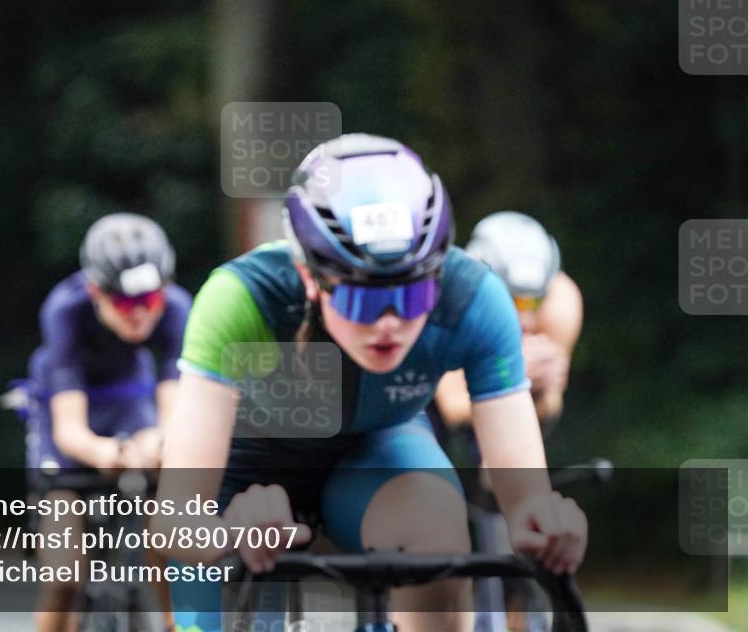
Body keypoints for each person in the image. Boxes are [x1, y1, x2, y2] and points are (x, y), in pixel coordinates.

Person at [152, 134, 588, 632]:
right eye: (364, 300)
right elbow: (174, 520)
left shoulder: (474, 298)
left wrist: (544, 524)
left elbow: (522, 496)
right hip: (245, 474)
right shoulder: (241, 298)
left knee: (438, 540)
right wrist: (228, 533)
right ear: (310, 277)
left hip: (376, 453)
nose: (389, 324)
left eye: (414, 295)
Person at [23, 213, 191, 632]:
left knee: (170, 534)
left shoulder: (176, 308)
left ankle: (174, 622)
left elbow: (174, 416)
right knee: (64, 575)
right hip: (66, 404)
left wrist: (156, 445)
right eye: (126, 304)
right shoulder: (65, 310)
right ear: (96, 292)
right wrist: (105, 453)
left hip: (130, 399)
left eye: (151, 300)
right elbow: (69, 430)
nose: (141, 315)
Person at [434, 211, 584, 434]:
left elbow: (550, 407)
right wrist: (510, 374)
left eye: (533, 302)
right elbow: (453, 408)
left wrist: (536, 388)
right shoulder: (456, 296)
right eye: (510, 301)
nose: (525, 319)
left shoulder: (560, 302)